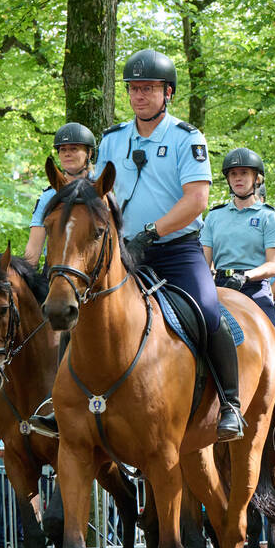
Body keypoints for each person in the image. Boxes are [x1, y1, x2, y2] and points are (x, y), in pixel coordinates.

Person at [89, 48, 242, 441]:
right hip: (122, 255)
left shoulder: (186, 138)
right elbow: (97, 196)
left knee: (209, 312)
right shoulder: (111, 140)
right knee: (78, 312)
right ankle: (60, 404)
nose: (139, 96)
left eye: (148, 89)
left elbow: (196, 200)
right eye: (133, 89)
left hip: (176, 250)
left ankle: (231, 404)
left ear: (167, 93)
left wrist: (152, 232)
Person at [201, 146, 275, 449]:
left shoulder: (269, 218)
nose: (238, 178)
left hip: (255, 291)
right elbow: (204, 261)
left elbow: (274, 264)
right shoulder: (214, 217)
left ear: (257, 179)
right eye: (233, 174)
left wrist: (247, 276)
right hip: (219, 287)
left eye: (244, 173)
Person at [23, 122, 97, 267]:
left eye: (74, 149)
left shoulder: (101, 192)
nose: (67, 154)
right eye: (62, 150)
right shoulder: (48, 196)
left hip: (91, 270)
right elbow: (34, 247)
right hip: (55, 270)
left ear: (89, 153)